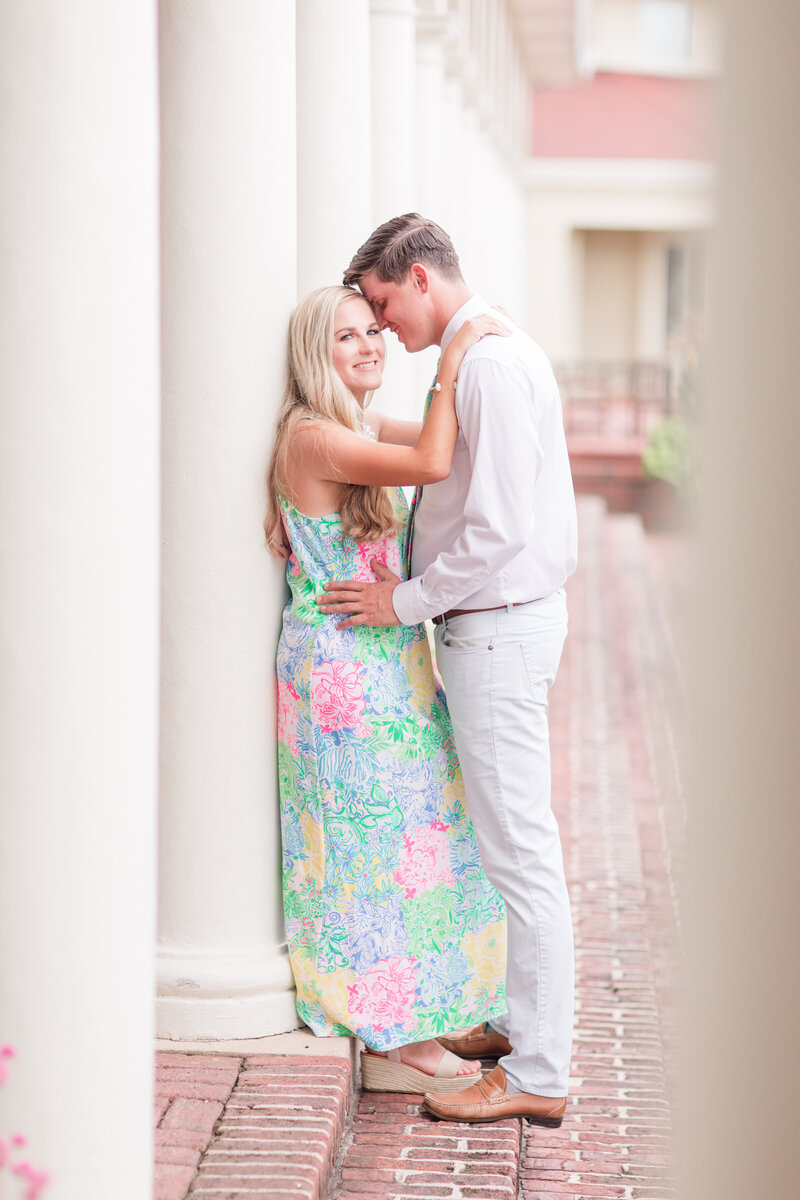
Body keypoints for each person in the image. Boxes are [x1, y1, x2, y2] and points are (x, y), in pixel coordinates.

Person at [317, 214, 578, 1127]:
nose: (381, 327)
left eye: (383, 306)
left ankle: (540, 1074)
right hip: (492, 631)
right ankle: (517, 1026)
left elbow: (499, 528)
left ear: (421, 278)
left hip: (498, 628)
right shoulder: (477, 356)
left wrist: (405, 601)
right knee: (508, 844)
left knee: (521, 854)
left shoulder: (493, 365)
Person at [265, 284, 510, 1094]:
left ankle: (426, 1004)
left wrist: (491, 374)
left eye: (375, 329)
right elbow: (432, 460)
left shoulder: (353, 426)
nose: (371, 345)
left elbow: (461, 447)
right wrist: (454, 350)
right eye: (348, 337)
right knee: (369, 848)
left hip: (386, 654)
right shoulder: (315, 438)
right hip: (342, 670)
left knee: (420, 835)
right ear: (315, 355)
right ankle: (390, 1030)